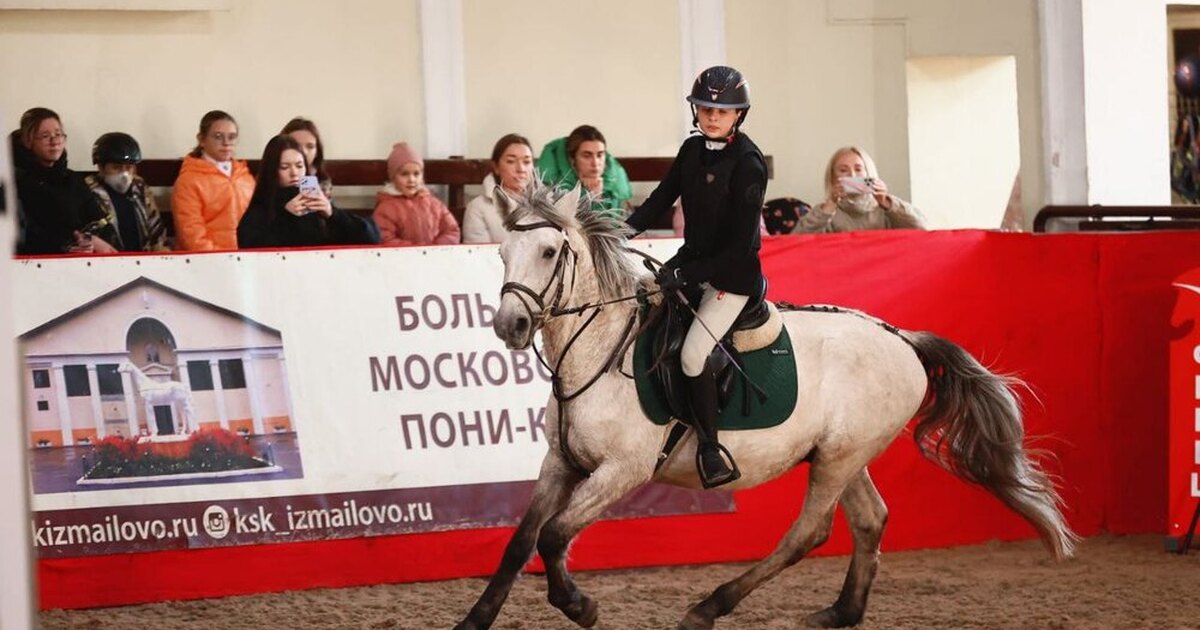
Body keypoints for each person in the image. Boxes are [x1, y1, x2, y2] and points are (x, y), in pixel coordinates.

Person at [625, 66, 768, 488]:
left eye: (721, 111)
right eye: (705, 109)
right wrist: (617, 233)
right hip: (691, 262)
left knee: (692, 354)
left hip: (732, 277)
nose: (712, 116)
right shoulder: (691, 150)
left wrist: (686, 272)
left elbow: (739, 247)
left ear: (739, 115)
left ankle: (709, 446)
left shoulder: (749, 164)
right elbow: (659, 201)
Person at [237, 135, 378, 249]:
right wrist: (285, 216)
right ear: (272, 171)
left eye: (299, 166)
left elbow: (370, 239)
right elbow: (250, 247)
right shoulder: (261, 208)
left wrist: (332, 214)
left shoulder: (316, 204)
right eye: (284, 167)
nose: (294, 173)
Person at [10, 107, 117, 255]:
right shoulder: (15, 182)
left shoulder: (73, 180)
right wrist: (66, 246)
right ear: (28, 140)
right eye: (45, 136)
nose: (55, 142)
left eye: (58, 134)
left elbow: (100, 222)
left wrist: (90, 240)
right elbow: (25, 232)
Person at [171, 110, 256, 251]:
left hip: (249, 256)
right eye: (218, 136)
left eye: (232, 137)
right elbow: (191, 234)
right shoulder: (189, 181)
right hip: (209, 258)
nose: (226, 143)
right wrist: (219, 258)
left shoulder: (245, 177)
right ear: (202, 140)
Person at [793, 146, 926, 233]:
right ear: (833, 178)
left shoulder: (885, 209)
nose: (852, 175)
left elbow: (921, 228)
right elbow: (795, 242)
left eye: (858, 169)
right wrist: (828, 207)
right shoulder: (826, 212)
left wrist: (887, 203)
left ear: (869, 173)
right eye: (843, 170)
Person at [84, 132, 169, 252]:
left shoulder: (140, 189)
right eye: (116, 167)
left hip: (143, 259)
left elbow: (156, 231)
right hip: (107, 260)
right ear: (101, 167)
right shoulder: (87, 192)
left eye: (129, 167)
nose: (124, 174)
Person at [372, 142, 460, 246]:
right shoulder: (386, 208)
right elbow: (385, 239)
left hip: (436, 254)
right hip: (404, 255)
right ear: (393, 177)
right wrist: (416, 249)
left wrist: (436, 247)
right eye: (404, 174)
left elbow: (452, 230)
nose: (411, 180)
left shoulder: (435, 204)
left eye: (416, 174)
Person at [537, 124, 633, 218]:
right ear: (572, 159)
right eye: (587, 156)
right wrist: (592, 198)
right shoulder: (553, 187)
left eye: (600, 155)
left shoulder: (615, 181)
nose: (595, 163)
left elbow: (623, 224)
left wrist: (598, 196)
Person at [462, 133, 534, 243]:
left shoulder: (549, 203)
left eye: (527, 162)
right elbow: (479, 252)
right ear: (496, 167)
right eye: (511, 161)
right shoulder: (478, 208)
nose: (521, 169)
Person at [280, 117, 333, 198]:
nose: (304, 152)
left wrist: (327, 206)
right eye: (296, 145)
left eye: (310, 146)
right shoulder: (268, 179)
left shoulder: (320, 180)